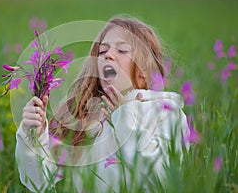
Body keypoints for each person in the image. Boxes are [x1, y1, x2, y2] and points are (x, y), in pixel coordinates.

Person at [15, 15, 190, 192]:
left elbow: (163, 178)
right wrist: (34, 136)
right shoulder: (85, 118)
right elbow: (39, 182)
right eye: (102, 51)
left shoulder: (165, 112)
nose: (108, 55)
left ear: (144, 70)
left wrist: (124, 118)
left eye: (122, 50)